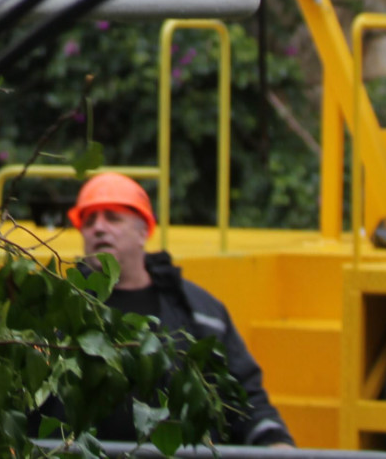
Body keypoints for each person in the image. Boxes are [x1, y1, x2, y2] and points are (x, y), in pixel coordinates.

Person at [72, 173, 294, 448]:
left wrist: (275, 444)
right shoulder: (63, 314)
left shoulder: (200, 313)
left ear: (144, 232)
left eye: (112, 218)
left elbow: (243, 398)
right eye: (89, 220)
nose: (98, 228)